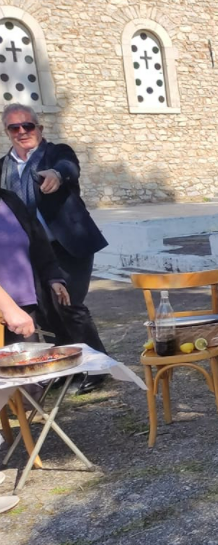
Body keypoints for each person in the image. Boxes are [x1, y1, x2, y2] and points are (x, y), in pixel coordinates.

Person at [0, 104, 108, 393]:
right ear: (7, 132)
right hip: (32, 252)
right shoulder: (3, 167)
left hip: (68, 244)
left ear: (39, 128)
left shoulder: (57, 152)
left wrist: (58, 176)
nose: (23, 132)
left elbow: (68, 167)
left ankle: (98, 366)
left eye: (28, 126)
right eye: (15, 128)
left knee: (69, 304)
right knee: (46, 311)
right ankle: (65, 366)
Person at [0, 188, 70, 346]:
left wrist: (53, 277)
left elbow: (38, 241)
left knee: (27, 366)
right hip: (10, 311)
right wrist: (8, 308)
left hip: (24, 308)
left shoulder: (9, 199)